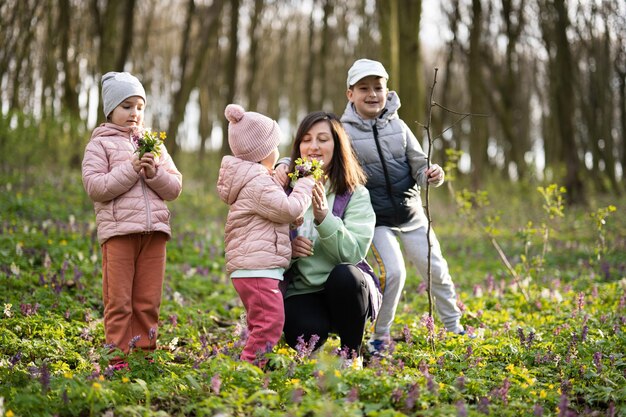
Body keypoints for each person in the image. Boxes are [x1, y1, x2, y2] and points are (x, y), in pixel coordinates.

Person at [340, 58, 465, 355]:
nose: (372, 94)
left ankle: (454, 327)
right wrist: (285, 166)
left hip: (412, 215)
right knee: (393, 274)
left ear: (387, 90)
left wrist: (432, 174)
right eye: (364, 88)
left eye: (378, 88)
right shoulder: (341, 131)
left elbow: (420, 166)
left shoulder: (399, 126)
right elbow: (315, 154)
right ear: (350, 94)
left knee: (436, 270)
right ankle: (379, 338)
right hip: (377, 220)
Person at [82, 72, 182, 367]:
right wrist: (130, 168)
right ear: (110, 109)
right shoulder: (99, 145)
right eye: (126, 106)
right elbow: (96, 187)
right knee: (119, 301)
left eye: (139, 106)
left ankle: (144, 357)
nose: (134, 113)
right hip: (119, 234)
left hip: (154, 234)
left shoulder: (153, 144)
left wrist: (154, 173)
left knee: (148, 301)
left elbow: (175, 187)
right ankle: (117, 359)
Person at [280, 111, 381, 369]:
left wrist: (325, 217)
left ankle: (350, 356)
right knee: (301, 329)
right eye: (306, 139)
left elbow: (355, 252)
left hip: (345, 292)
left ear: (337, 146)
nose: (313, 146)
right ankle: (317, 355)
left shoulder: (355, 193)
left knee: (347, 276)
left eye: (323, 139)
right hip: (304, 290)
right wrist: (288, 252)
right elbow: (262, 243)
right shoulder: (284, 189)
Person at [217, 104, 315, 366]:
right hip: (257, 269)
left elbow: (273, 211)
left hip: (254, 267)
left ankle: (251, 367)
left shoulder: (256, 179)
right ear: (264, 152)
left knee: (261, 322)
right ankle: (248, 373)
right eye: (276, 147)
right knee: (270, 323)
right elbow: (289, 208)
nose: (279, 152)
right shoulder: (258, 183)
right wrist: (306, 181)